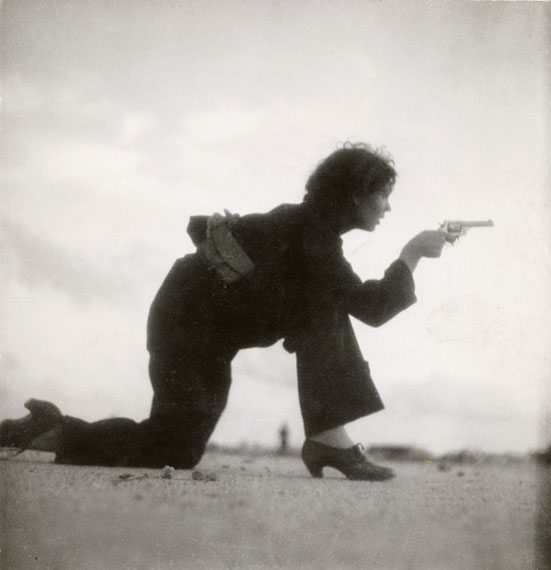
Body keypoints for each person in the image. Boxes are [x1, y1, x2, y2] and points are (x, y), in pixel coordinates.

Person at [0, 142, 452, 481]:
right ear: (354, 195)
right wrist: (411, 253)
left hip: (197, 325)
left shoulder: (307, 228)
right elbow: (371, 308)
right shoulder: (312, 236)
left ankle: (328, 440)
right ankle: (52, 430)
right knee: (173, 447)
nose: (388, 207)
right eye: (382, 195)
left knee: (176, 445)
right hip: (188, 329)